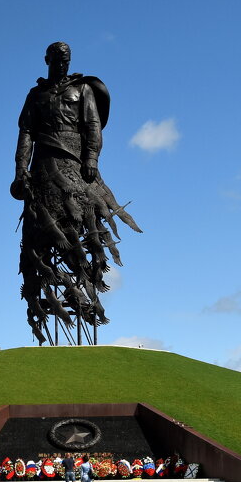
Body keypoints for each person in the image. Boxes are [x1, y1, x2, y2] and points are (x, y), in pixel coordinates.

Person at [10, 42, 142, 344]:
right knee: (41, 236)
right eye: (56, 59)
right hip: (44, 165)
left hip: (74, 162)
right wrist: (21, 169)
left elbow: (93, 126)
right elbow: (26, 133)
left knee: (80, 227)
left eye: (65, 59)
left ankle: (85, 296)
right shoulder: (36, 95)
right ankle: (45, 306)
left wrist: (92, 158)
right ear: (46, 60)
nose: (61, 64)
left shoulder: (82, 90)